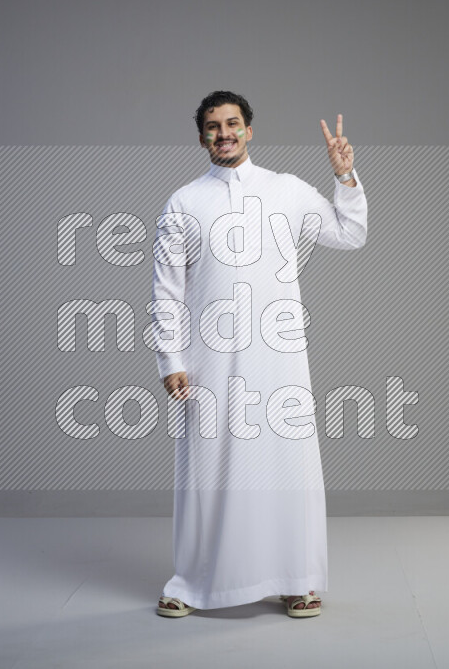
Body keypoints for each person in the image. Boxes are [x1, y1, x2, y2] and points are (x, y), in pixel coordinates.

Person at [149, 91, 367, 618]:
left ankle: (297, 579)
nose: (223, 133)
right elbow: (167, 290)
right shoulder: (183, 202)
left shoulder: (287, 190)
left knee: (285, 465)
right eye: (212, 126)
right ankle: (196, 581)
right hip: (209, 361)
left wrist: (344, 177)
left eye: (233, 123)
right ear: (200, 136)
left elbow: (350, 233)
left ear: (249, 130)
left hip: (279, 355)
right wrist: (170, 359)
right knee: (209, 469)